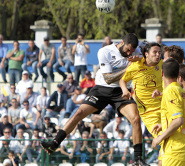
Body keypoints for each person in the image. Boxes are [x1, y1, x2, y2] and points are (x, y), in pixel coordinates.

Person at [41, 33, 148, 165]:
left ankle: (138, 159)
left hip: (121, 90)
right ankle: (55, 142)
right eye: (127, 50)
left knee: (136, 118)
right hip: (102, 88)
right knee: (79, 113)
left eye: (132, 51)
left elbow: (152, 53)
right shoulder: (105, 51)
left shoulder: (137, 50)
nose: (129, 53)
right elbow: (108, 79)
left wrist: (145, 55)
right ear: (121, 42)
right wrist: (129, 68)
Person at [151, 59, 185, 166]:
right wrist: (164, 125)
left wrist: (159, 138)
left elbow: (179, 120)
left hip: (175, 151)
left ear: (162, 73)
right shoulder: (184, 93)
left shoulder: (170, 91)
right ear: (178, 74)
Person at [119, 42, 163, 138]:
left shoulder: (162, 64)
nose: (158, 54)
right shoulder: (135, 66)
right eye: (155, 52)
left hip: (164, 107)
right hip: (148, 113)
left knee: (173, 136)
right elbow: (122, 80)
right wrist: (125, 90)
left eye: (159, 52)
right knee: (162, 138)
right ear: (146, 54)